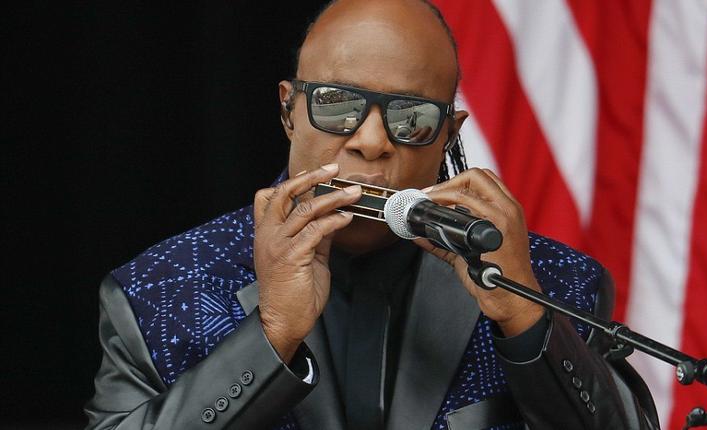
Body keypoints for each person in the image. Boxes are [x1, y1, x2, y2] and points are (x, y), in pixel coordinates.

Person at [85, 0, 659, 429]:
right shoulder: (157, 290)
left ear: (449, 138)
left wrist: (527, 322)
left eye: (412, 118)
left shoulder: (557, 285)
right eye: (337, 104)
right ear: (289, 111)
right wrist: (271, 339)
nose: (372, 141)